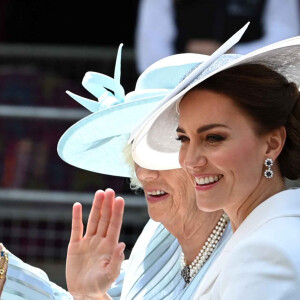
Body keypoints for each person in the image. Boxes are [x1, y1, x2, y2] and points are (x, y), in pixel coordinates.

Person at [0, 45, 233, 299]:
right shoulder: (158, 235)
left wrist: (89, 295)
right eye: (137, 149)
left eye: (160, 150)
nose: (143, 174)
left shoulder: (249, 249)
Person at [130, 24, 300, 299]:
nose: (190, 160)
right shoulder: (262, 233)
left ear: (271, 144)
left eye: (213, 138)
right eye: (183, 139)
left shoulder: (265, 252)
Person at [135, 0, 300, 73]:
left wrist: (227, 53)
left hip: (250, 84)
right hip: (180, 88)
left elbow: (286, 43)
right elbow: (151, 57)